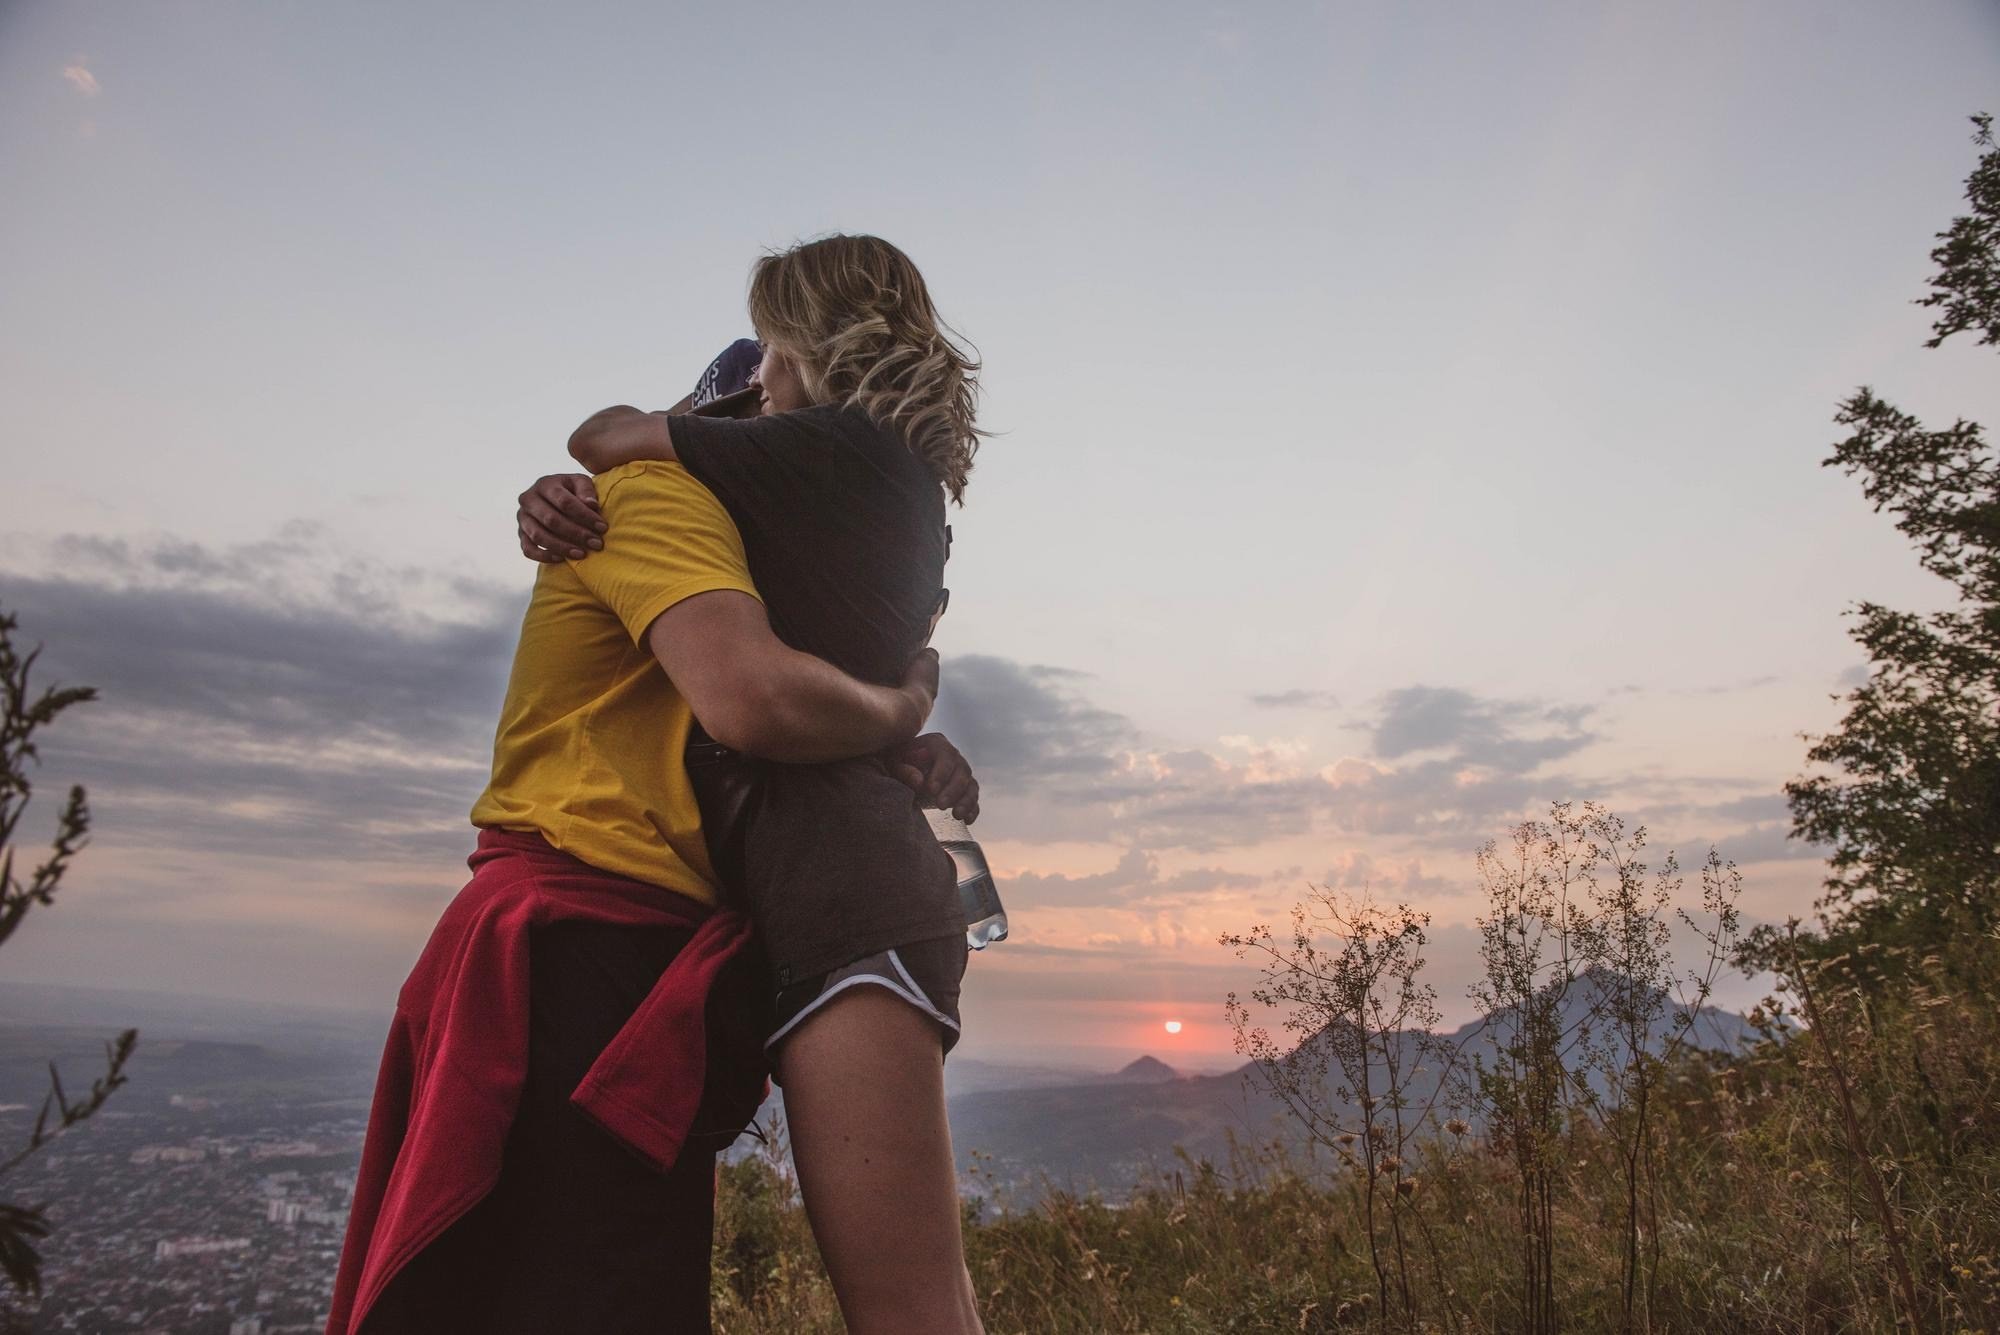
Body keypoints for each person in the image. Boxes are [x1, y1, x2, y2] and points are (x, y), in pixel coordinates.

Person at [326, 259, 967, 1331]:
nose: (757, 414)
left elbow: (777, 703)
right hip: (582, 942)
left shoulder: (747, 550)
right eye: (739, 408)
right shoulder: (666, 502)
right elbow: (755, 702)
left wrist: (892, 737)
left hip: (643, 944)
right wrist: (901, 716)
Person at [515, 234, 988, 1334]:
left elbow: (605, 437)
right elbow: (779, 652)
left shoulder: (822, 449)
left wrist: (627, 467)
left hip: (845, 892)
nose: (756, 382)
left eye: (767, 355)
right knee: (924, 1306)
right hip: (828, 881)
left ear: (803, 349)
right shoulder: (877, 489)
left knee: (911, 1315)